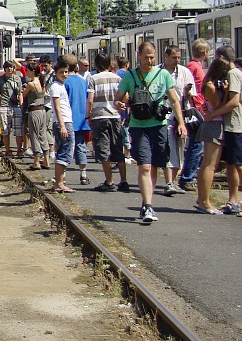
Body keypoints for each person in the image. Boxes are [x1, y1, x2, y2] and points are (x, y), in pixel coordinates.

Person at [116, 41, 186, 224]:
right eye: (146, 57)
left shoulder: (163, 75)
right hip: (139, 127)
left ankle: (148, 202)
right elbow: (118, 97)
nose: (149, 60)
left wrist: (181, 123)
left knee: (154, 165)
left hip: (159, 125)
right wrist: (119, 103)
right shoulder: (130, 76)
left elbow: (175, 101)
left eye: (152, 57)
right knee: (145, 166)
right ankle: (147, 205)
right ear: (138, 56)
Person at [202, 46, 242, 216]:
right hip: (230, 125)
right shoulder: (233, 75)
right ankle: (233, 200)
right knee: (231, 165)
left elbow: (234, 102)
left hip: (236, 125)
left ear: (222, 58)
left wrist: (213, 114)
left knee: (240, 163)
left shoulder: (233, 74)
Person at [87, 51, 130, 192]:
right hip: (115, 116)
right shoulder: (117, 78)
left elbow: (90, 99)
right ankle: (123, 181)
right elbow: (125, 97)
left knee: (104, 149)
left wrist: (88, 115)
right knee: (118, 148)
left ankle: (109, 181)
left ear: (96, 64)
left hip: (100, 117)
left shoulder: (93, 78)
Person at [158, 46, 193, 196]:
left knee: (179, 151)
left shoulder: (184, 72)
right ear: (166, 56)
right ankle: (169, 183)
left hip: (180, 116)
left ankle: (172, 181)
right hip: (162, 116)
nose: (177, 60)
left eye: (179, 57)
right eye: (174, 57)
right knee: (168, 149)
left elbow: (190, 97)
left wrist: (187, 93)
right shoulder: (158, 71)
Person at [195, 57, 228, 214]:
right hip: (214, 124)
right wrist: (227, 93)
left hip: (213, 123)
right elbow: (217, 106)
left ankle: (202, 198)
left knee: (209, 164)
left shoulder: (209, 84)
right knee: (210, 165)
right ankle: (205, 202)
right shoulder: (211, 86)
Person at [179, 39, 210, 191]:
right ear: (204, 53)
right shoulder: (194, 67)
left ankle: (188, 176)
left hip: (196, 108)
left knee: (197, 145)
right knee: (196, 145)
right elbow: (192, 90)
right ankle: (187, 177)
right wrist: (199, 105)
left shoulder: (194, 66)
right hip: (196, 110)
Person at [61, 53, 91, 185]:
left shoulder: (65, 82)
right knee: (81, 147)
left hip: (68, 119)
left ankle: (63, 176)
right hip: (81, 119)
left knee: (65, 148)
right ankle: (83, 174)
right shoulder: (83, 81)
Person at [48, 59, 76, 193]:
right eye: (62, 72)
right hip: (63, 122)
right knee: (65, 152)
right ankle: (59, 183)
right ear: (56, 73)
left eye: (66, 72)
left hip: (65, 121)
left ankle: (60, 182)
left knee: (64, 152)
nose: (65, 74)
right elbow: (58, 108)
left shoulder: (61, 86)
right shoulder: (55, 86)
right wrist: (63, 125)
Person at [22, 62, 49, 170]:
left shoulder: (31, 84)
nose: (26, 72)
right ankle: (46, 160)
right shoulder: (42, 81)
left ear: (32, 71)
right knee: (43, 135)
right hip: (42, 109)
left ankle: (36, 161)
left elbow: (24, 94)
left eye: (28, 70)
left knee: (34, 135)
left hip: (34, 111)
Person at [0, 60, 24, 157]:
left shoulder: (17, 79)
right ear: (4, 69)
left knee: (18, 130)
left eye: (11, 67)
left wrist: (21, 105)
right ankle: (8, 150)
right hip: (4, 106)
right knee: (5, 129)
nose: (9, 69)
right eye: (7, 67)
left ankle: (19, 150)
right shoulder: (0, 80)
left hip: (16, 106)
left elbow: (20, 93)